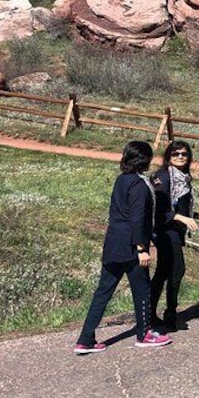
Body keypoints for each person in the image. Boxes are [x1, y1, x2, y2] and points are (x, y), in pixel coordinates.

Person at [74, 141, 172, 354]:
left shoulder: (121, 180)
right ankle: (144, 333)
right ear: (144, 159)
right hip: (131, 245)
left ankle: (85, 338)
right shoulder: (138, 184)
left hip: (113, 242)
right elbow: (137, 218)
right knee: (142, 290)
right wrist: (141, 248)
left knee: (103, 291)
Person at [149, 141, 199, 331]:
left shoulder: (184, 178)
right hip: (165, 230)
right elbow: (160, 209)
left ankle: (155, 313)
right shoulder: (162, 177)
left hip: (176, 231)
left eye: (184, 154)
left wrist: (194, 216)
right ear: (168, 156)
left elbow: (181, 205)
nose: (180, 157)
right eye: (175, 153)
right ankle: (168, 313)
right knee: (176, 270)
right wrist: (182, 218)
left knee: (164, 271)